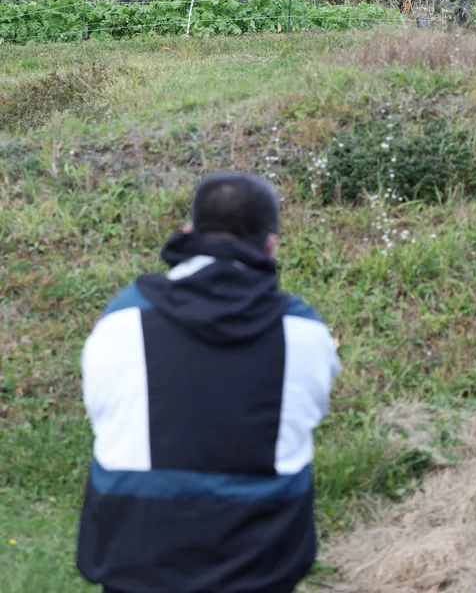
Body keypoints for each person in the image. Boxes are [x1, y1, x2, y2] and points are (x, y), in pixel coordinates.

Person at [77, 171, 340, 593]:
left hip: (137, 562)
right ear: (271, 246)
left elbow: (102, 415)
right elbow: (312, 412)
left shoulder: (122, 320)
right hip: (260, 566)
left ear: (188, 232)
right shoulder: (304, 332)